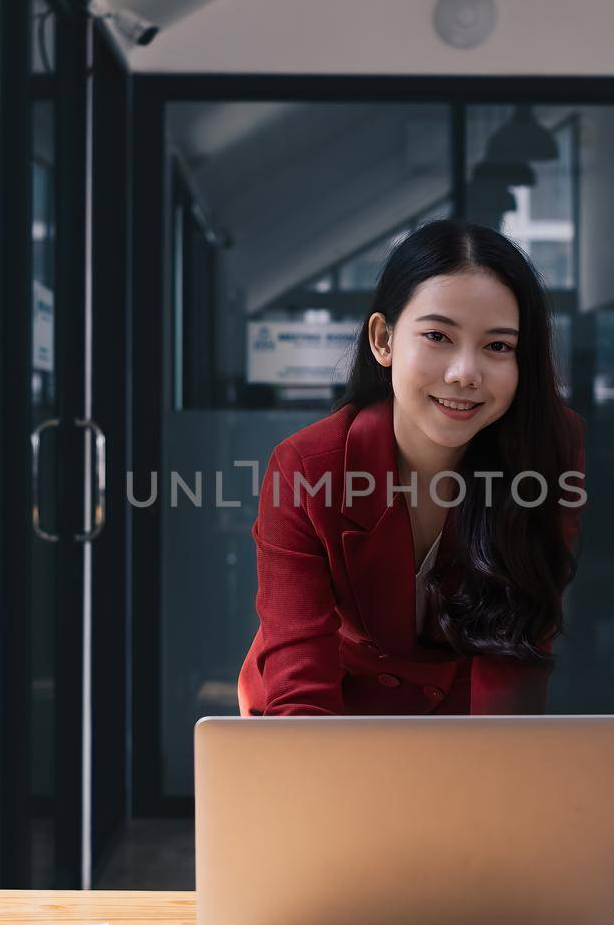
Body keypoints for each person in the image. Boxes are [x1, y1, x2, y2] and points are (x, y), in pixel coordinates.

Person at [237, 219, 586, 716]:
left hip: (459, 727)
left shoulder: (549, 449)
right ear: (383, 340)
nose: (465, 372)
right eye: (438, 336)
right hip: (325, 717)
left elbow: (519, 653)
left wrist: (504, 776)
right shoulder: (307, 468)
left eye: (498, 346)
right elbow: (301, 687)